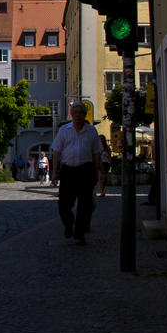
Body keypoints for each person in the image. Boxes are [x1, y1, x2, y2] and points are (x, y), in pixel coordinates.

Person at [51, 102, 103, 245]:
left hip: (85, 169)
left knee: (85, 204)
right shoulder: (64, 130)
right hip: (68, 170)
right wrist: (55, 171)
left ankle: (79, 234)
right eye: (76, 113)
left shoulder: (91, 131)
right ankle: (68, 223)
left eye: (81, 112)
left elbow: (96, 153)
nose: (78, 115)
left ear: (85, 114)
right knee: (64, 203)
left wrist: (97, 171)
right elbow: (56, 151)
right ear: (71, 115)